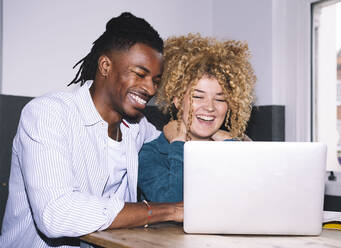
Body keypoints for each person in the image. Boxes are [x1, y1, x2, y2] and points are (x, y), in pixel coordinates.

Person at [0, 12, 182, 248]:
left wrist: (221, 134)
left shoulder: (138, 127)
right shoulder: (48, 114)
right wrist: (167, 211)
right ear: (105, 65)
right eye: (140, 74)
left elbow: (174, 137)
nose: (150, 88)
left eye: (156, 80)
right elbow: (56, 215)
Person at [138, 33, 256, 203]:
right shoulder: (152, 153)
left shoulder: (233, 147)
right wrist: (179, 143)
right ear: (178, 100)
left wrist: (231, 146)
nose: (209, 107)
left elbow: (253, 199)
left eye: (220, 99)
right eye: (198, 97)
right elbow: (173, 204)